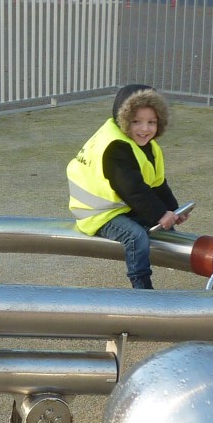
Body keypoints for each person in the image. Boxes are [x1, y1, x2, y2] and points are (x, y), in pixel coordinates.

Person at [68, 83, 186, 289]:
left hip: (119, 205)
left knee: (167, 223)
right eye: (136, 122)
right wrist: (160, 213)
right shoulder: (116, 147)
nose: (145, 129)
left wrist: (173, 210)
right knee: (136, 236)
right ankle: (141, 288)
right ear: (123, 121)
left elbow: (157, 184)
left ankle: (183, 261)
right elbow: (134, 190)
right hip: (96, 214)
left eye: (152, 122)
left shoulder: (148, 147)